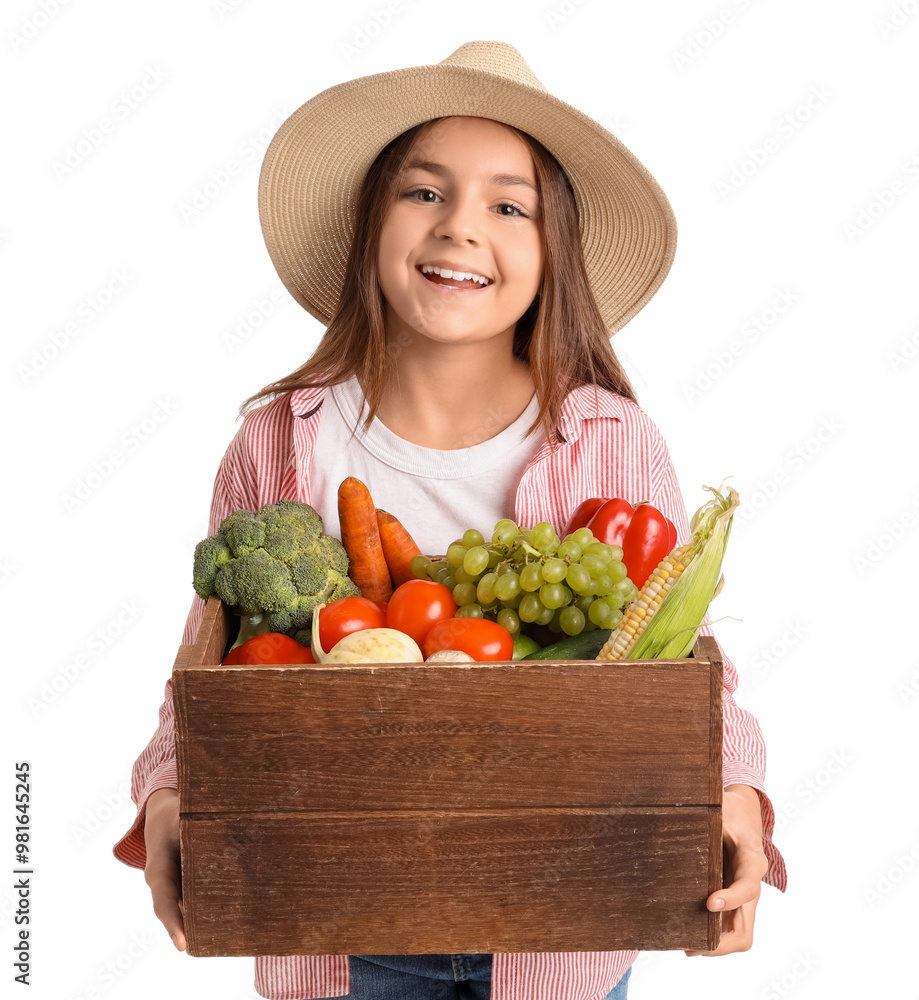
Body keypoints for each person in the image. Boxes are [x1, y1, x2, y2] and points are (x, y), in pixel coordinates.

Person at [113, 40, 787, 1000]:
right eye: (423, 193)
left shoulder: (609, 437)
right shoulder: (283, 441)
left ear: (553, 255)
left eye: (508, 207)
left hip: (561, 926)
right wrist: (171, 788)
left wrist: (735, 790)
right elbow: (209, 653)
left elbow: (680, 650)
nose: (459, 229)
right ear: (369, 226)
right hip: (333, 923)